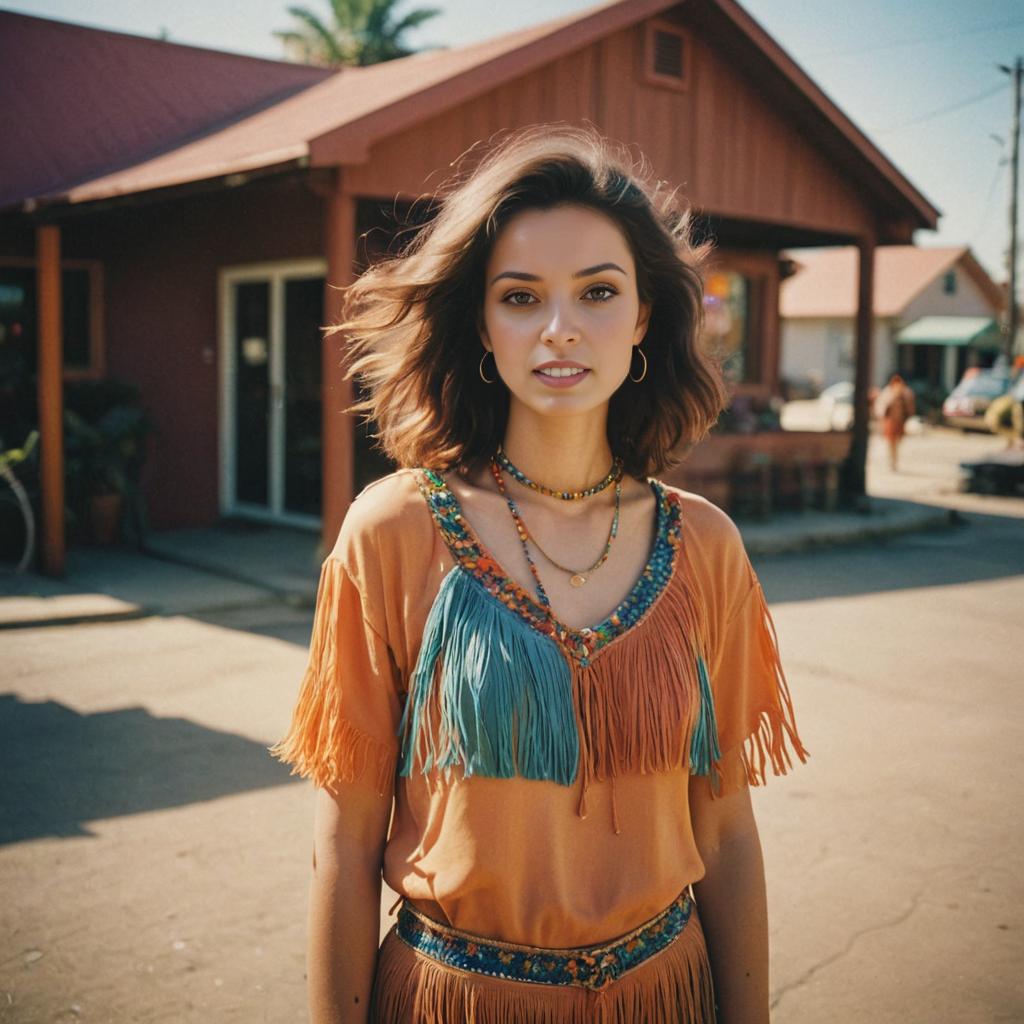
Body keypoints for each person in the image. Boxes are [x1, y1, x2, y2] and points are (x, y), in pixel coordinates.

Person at [269, 125, 808, 1024]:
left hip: (665, 996)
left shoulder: (707, 546)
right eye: (521, 296)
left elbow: (726, 832)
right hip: (452, 1001)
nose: (560, 328)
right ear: (482, 322)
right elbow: (344, 836)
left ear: (642, 319)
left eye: (598, 292)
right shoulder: (392, 531)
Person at [873, 373, 916, 470]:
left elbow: (909, 409)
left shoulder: (905, 394)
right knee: (891, 443)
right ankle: (892, 461)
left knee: (897, 442)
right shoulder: (888, 393)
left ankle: (894, 460)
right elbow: (881, 408)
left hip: (900, 422)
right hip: (890, 422)